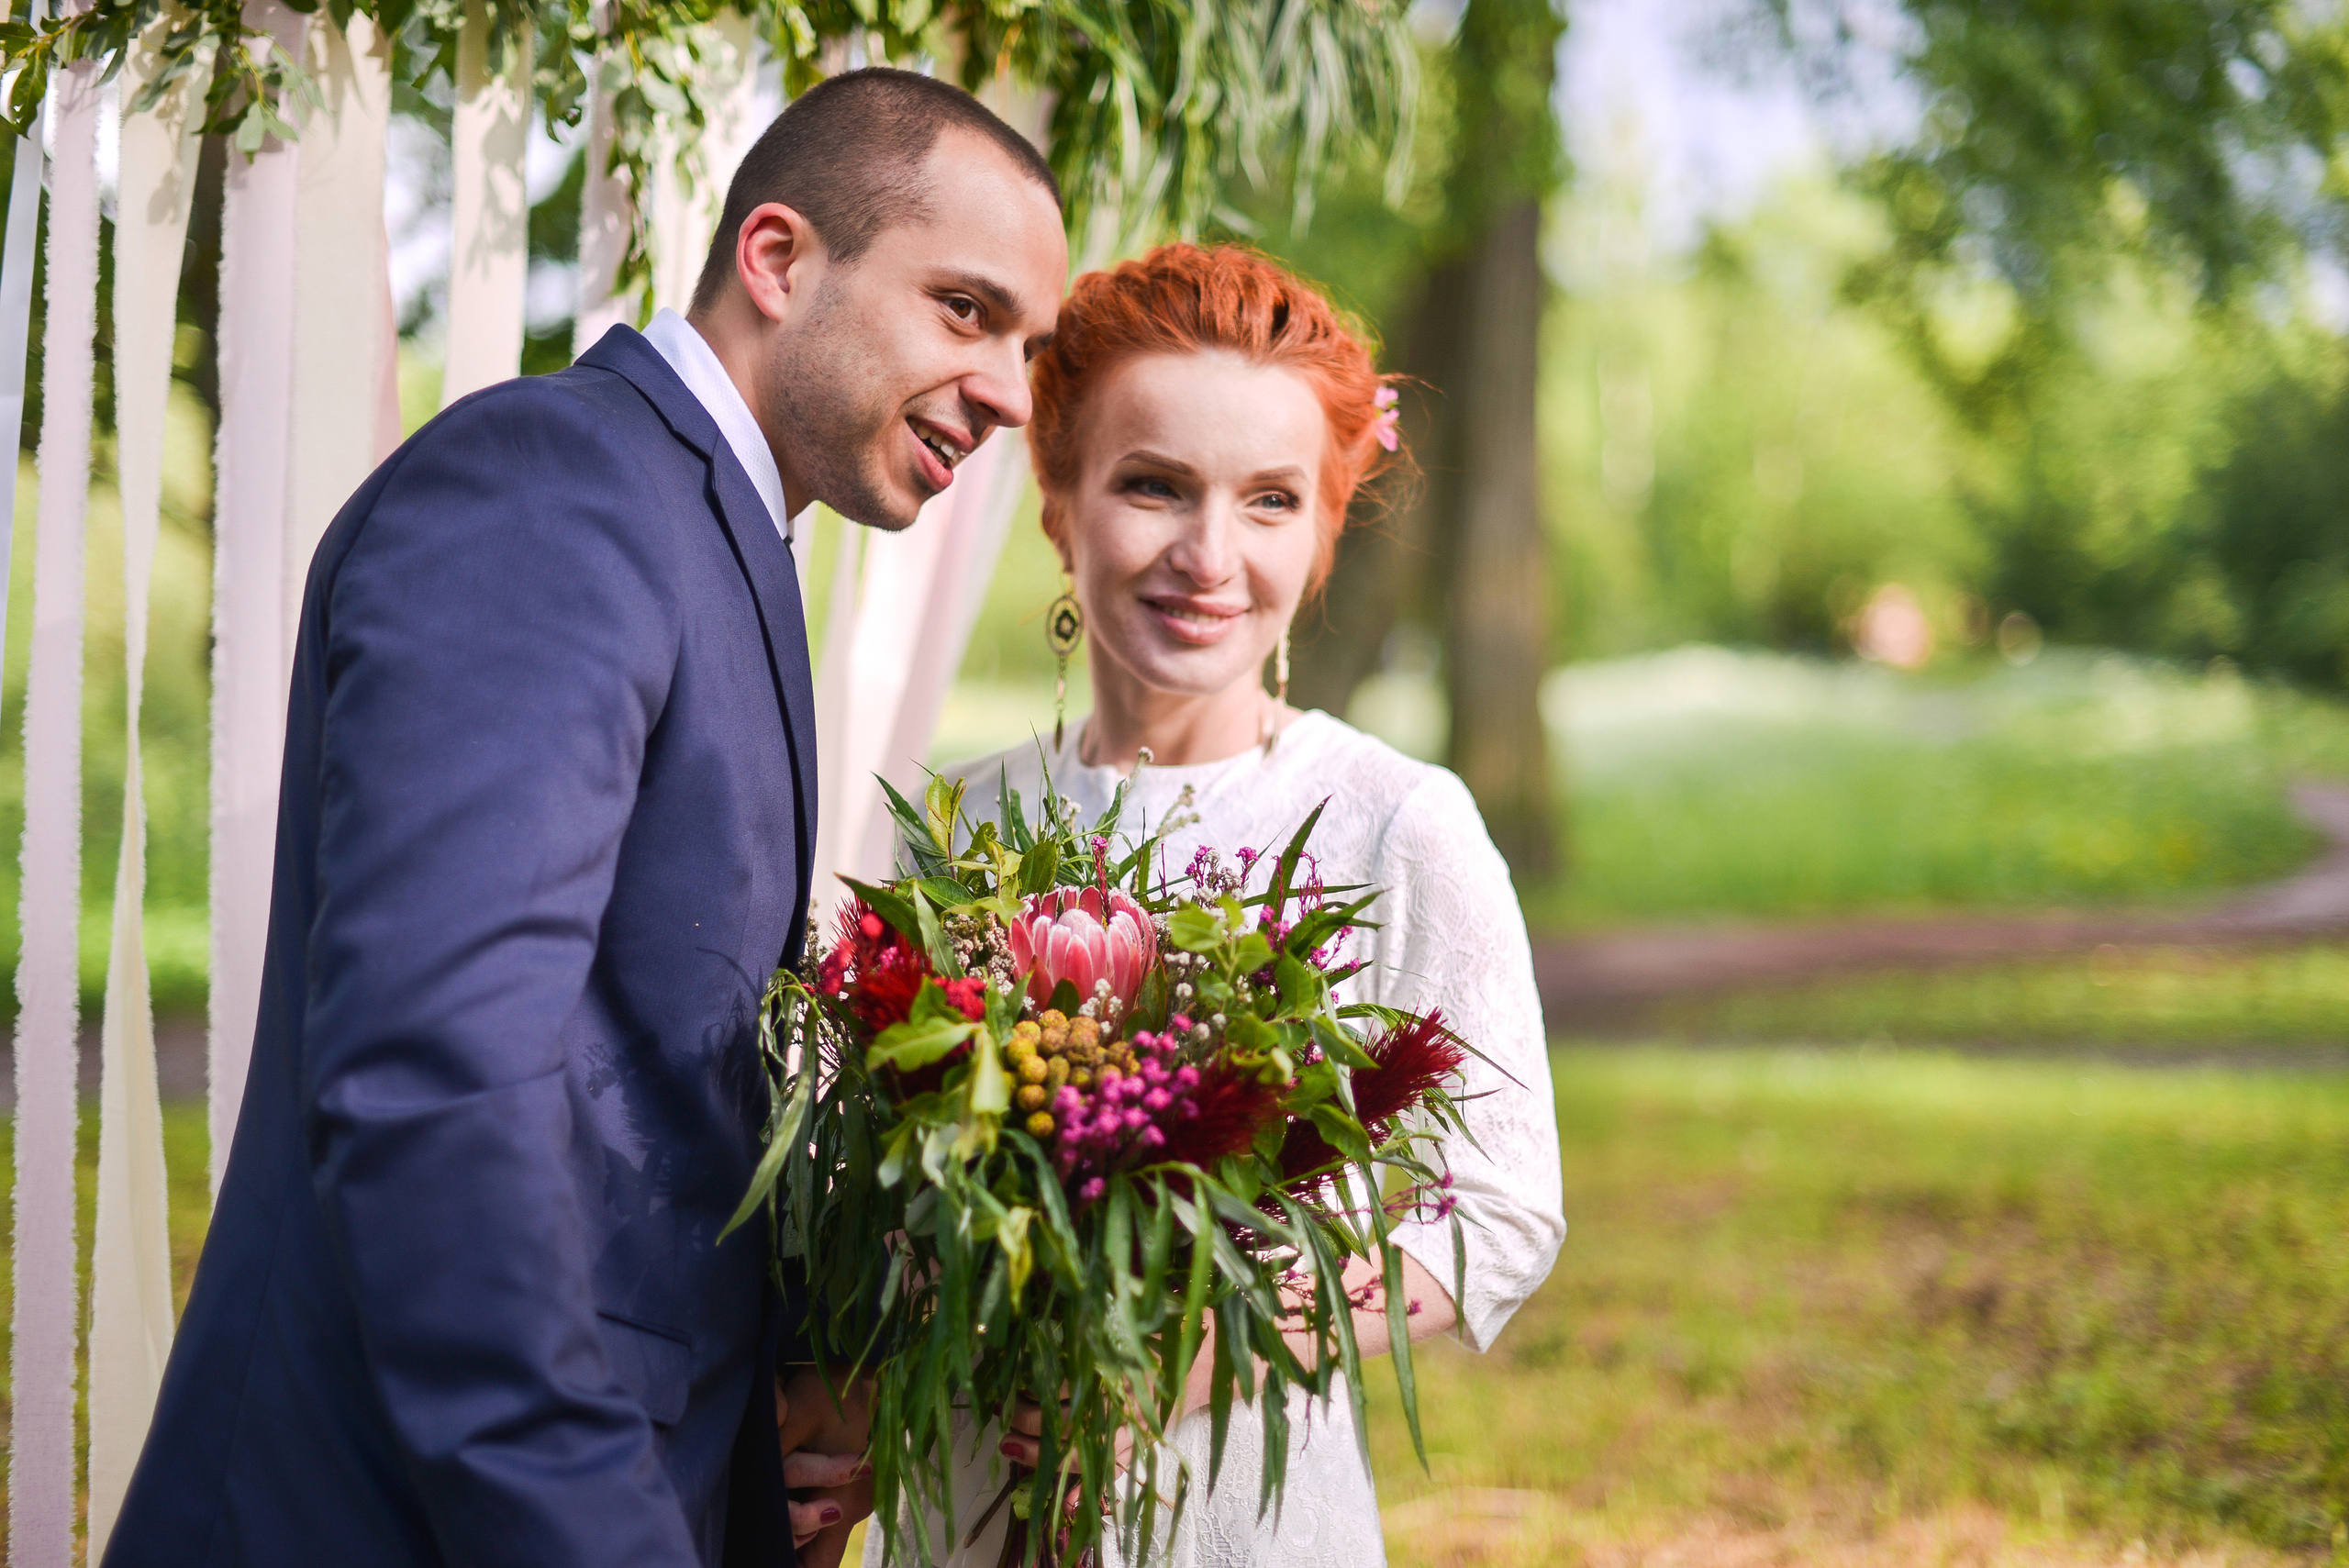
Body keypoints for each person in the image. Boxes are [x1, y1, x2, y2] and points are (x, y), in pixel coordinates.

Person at [105, 69, 1065, 1568]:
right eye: (965, 309)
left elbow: (641, 1091)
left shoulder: (715, 530)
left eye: (1028, 347)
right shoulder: (554, 491)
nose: (1008, 392)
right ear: (778, 258)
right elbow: (438, 1087)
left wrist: (769, 1407)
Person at [877, 244, 1565, 1567]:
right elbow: (880, 1197)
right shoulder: (952, 823)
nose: (1208, 555)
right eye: (1153, 485)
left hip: (1242, 1511)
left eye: (1269, 501)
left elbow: (1497, 1210)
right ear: (1059, 500)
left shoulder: (1394, 823)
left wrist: (1205, 1347)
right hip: (964, 1510)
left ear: (1321, 532)